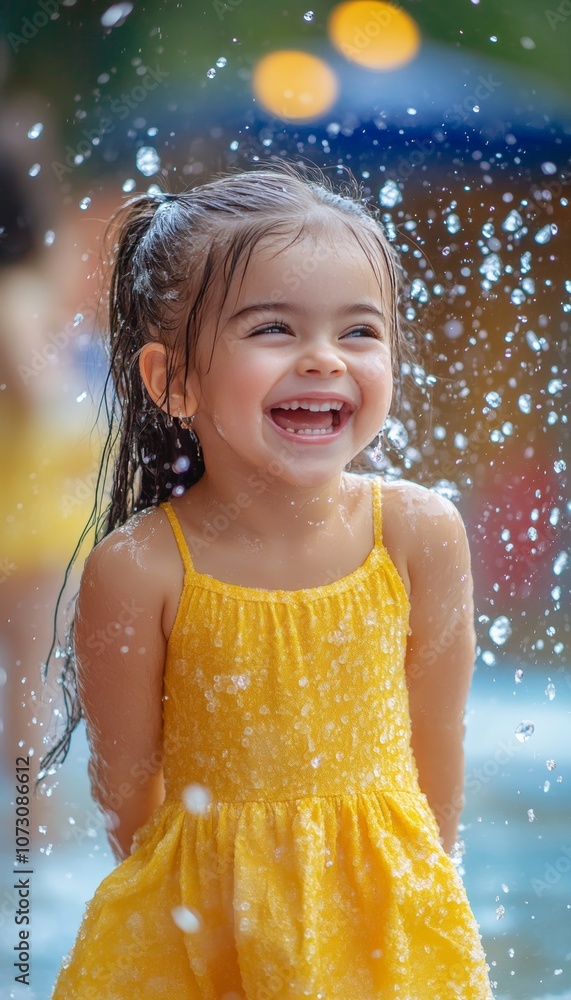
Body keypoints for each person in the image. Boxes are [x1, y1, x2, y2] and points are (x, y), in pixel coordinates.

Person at [47, 165, 494, 998]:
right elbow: (125, 799)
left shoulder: (415, 534)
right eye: (274, 330)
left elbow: (437, 758)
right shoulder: (142, 567)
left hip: (381, 929)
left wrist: (418, 904)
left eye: (359, 332)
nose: (324, 359)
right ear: (171, 379)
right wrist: (220, 905)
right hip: (196, 932)